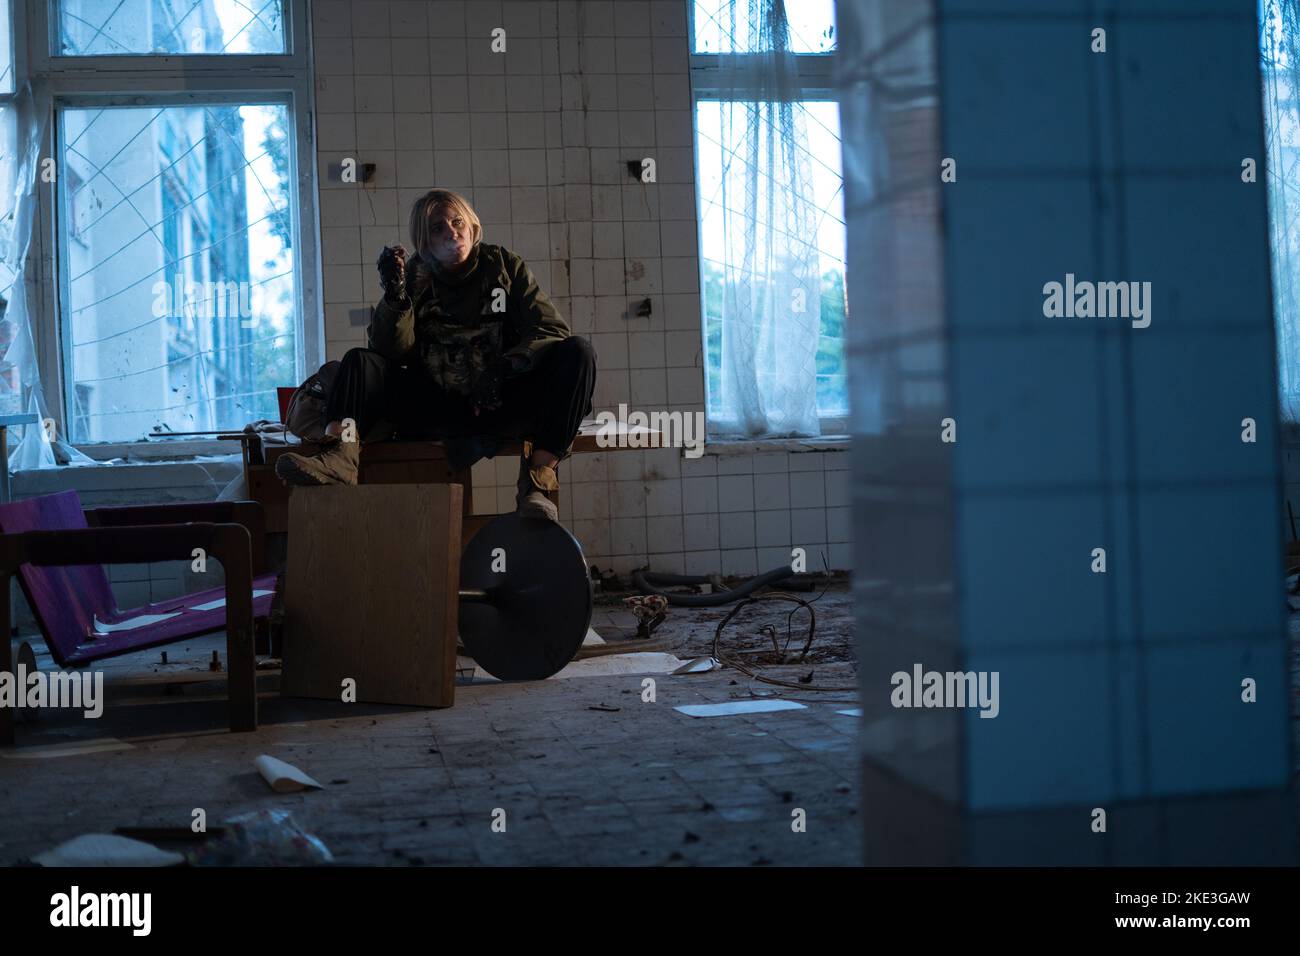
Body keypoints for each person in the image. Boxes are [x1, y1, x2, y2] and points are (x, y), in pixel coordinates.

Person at [275, 189, 596, 522]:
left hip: (501, 400)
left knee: (578, 352)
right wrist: (395, 297)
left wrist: (508, 364)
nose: (451, 232)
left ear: (471, 226)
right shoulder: (414, 276)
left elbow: (551, 330)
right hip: (436, 405)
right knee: (358, 361)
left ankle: (536, 484)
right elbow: (389, 352)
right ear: (425, 243)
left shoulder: (504, 266)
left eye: (457, 222)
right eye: (438, 228)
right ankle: (339, 457)